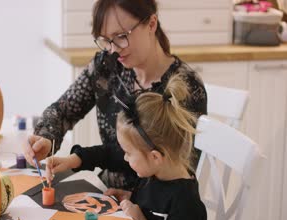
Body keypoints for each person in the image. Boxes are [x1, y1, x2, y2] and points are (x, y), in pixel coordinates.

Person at [23, 0, 207, 189]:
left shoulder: (186, 87)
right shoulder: (107, 67)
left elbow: (183, 172)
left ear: (151, 24)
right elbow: (63, 111)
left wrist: (134, 200)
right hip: (106, 192)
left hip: (155, 210)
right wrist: (45, 138)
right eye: (105, 39)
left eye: (120, 36)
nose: (113, 49)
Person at [45, 74, 209, 220]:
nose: (124, 158)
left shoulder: (185, 202)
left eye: (128, 154)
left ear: (155, 157)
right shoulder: (155, 170)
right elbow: (110, 154)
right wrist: (75, 160)